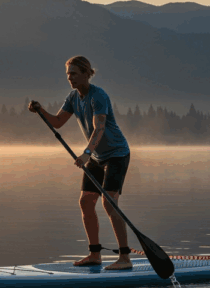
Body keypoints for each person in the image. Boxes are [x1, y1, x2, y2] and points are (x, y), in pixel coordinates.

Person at [28, 56, 133, 270]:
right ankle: (95, 254)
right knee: (86, 202)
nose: (70, 78)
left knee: (109, 203)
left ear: (87, 74)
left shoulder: (99, 96)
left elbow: (100, 128)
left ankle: (125, 258)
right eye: (68, 74)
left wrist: (86, 153)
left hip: (116, 155)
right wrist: (41, 110)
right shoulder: (72, 97)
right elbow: (57, 122)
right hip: (96, 157)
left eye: (74, 73)